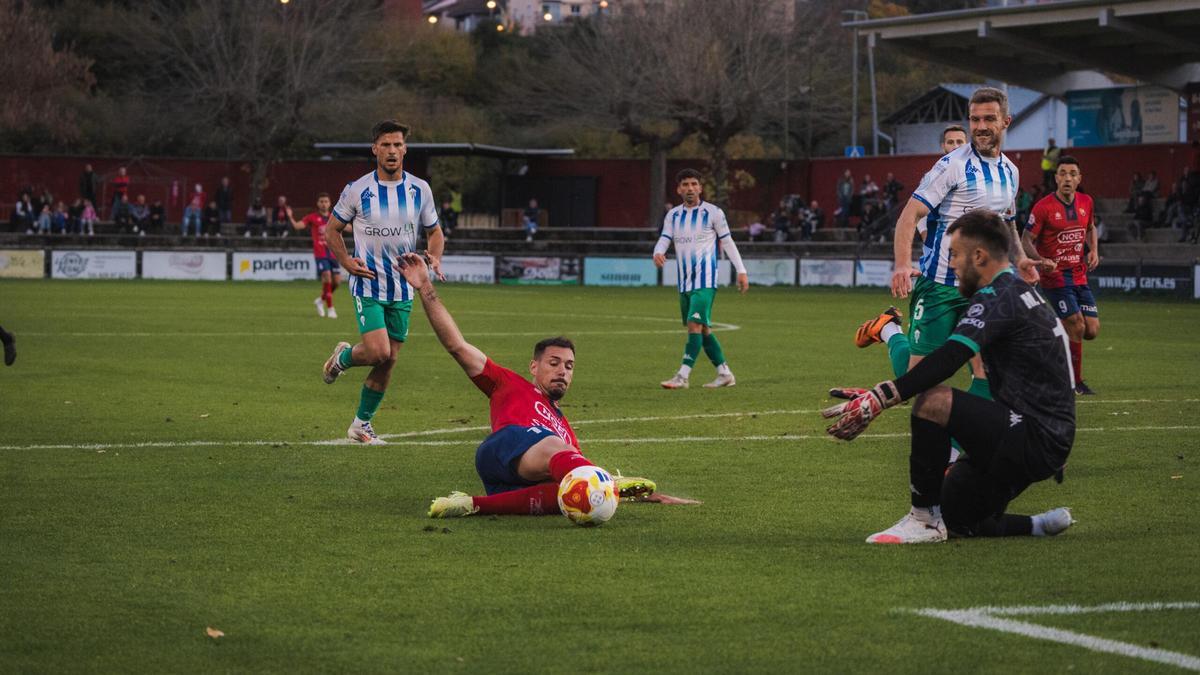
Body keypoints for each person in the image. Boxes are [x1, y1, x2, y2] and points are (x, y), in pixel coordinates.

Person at [852, 87, 1040, 540]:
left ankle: (952, 469)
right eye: (974, 119)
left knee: (990, 376)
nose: (979, 126)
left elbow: (1007, 225)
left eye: (988, 119)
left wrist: (1021, 259)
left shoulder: (1011, 172)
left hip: (988, 287)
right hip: (939, 288)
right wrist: (901, 264)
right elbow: (909, 214)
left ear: (1005, 122)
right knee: (924, 386)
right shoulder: (952, 165)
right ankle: (892, 331)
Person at [823, 209, 1075, 543]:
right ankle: (1035, 525)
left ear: (979, 256)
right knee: (957, 516)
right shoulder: (1013, 290)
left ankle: (923, 521)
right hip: (1039, 436)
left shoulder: (998, 296)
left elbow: (950, 357)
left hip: (1034, 437)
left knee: (934, 402)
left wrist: (880, 397)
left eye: (954, 254)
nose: (952, 264)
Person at [390, 251, 685, 518]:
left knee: (566, 494)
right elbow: (457, 345)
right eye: (554, 363)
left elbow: (580, 482)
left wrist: (654, 498)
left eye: (569, 367)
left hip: (513, 484)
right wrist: (425, 286)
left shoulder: (565, 429)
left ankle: (471, 504)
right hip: (502, 449)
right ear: (534, 366)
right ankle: (606, 480)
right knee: (561, 452)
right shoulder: (506, 382)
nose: (562, 371)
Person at [320, 120, 446, 444]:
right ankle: (342, 358)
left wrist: (434, 257)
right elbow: (331, 230)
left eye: (398, 145)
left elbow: (435, 232)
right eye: (386, 145)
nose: (392, 151)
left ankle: (361, 424)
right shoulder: (357, 189)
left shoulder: (420, 190)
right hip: (368, 283)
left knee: (389, 360)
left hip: (404, 286)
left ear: (405, 149)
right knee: (378, 351)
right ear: (375, 149)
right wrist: (347, 262)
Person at [652, 168, 749, 390]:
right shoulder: (673, 215)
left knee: (694, 324)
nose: (690, 188)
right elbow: (665, 238)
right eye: (685, 184)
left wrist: (741, 270)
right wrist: (658, 251)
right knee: (703, 329)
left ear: (700, 188)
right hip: (684, 282)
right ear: (678, 189)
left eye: (694, 184)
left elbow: (728, 242)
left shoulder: (713, 213)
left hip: (705, 281)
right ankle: (724, 373)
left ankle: (682, 376)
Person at [1023, 156, 1100, 396]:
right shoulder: (1044, 207)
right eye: (1063, 173)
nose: (1067, 178)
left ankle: (1051, 333)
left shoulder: (1086, 202)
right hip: (1055, 277)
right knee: (1076, 325)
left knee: (1091, 330)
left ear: (1079, 178)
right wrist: (1040, 260)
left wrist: (1094, 250)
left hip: (1079, 275)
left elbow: (1090, 228)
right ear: (1056, 178)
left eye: (1072, 173)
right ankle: (1073, 382)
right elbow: (1026, 238)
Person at [289, 192, 342, 319]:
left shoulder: (334, 218)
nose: (324, 204)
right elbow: (297, 226)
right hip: (321, 254)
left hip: (333, 253)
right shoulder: (312, 217)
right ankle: (330, 309)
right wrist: (290, 216)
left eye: (326, 201)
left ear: (330, 204)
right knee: (327, 277)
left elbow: (348, 228)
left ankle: (320, 300)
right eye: (321, 201)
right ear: (318, 204)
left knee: (337, 282)